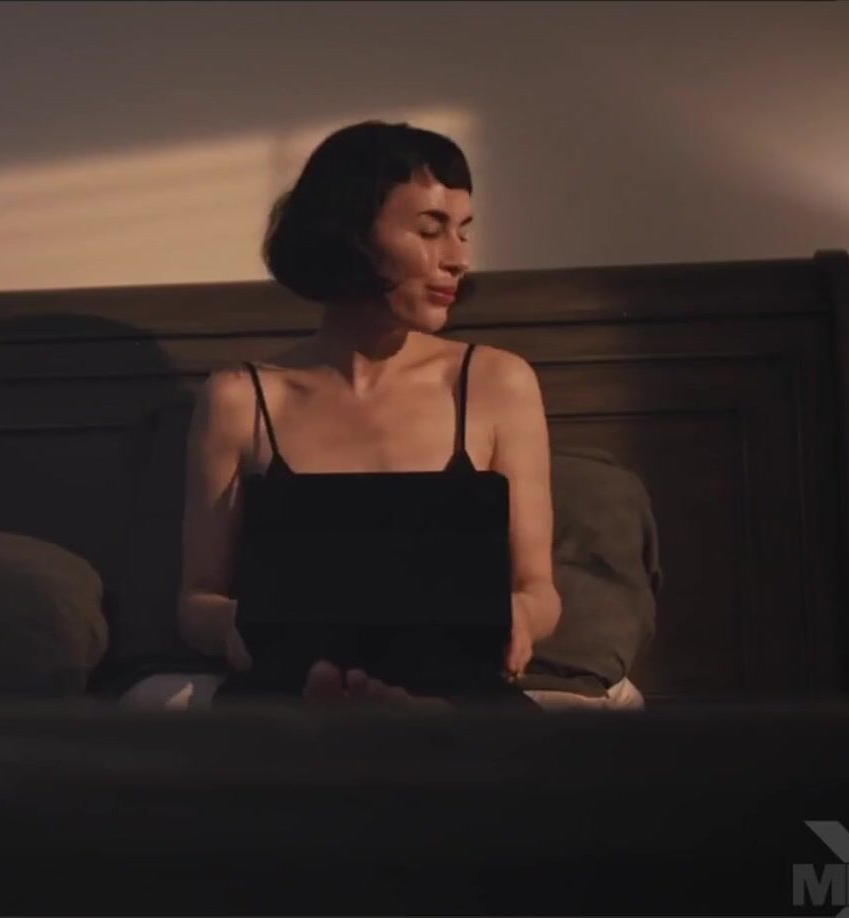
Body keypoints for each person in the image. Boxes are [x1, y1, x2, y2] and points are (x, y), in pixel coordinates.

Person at [175, 120, 562, 706]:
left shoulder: (495, 382)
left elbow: (539, 588)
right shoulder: (241, 398)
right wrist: (236, 627)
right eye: (430, 230)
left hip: (454, 693)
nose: (458, 258)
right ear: (350, 234)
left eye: (464, 232)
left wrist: (522, 618)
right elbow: (196, 599)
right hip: (295, 691)